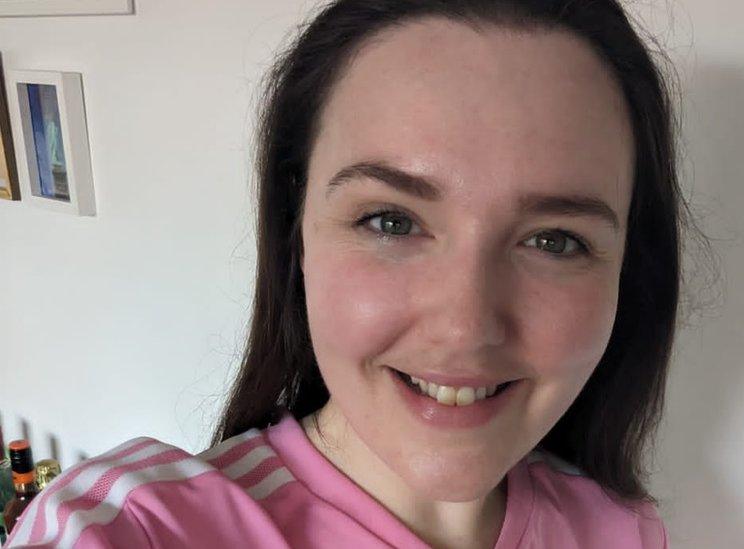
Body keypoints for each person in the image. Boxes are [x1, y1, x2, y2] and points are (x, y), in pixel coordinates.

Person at [6, 0, 690, 546]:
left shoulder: (624, 529)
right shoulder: (135, 529)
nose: (465, 328)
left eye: (555, 239)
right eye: (391, 220)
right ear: (296, 230)